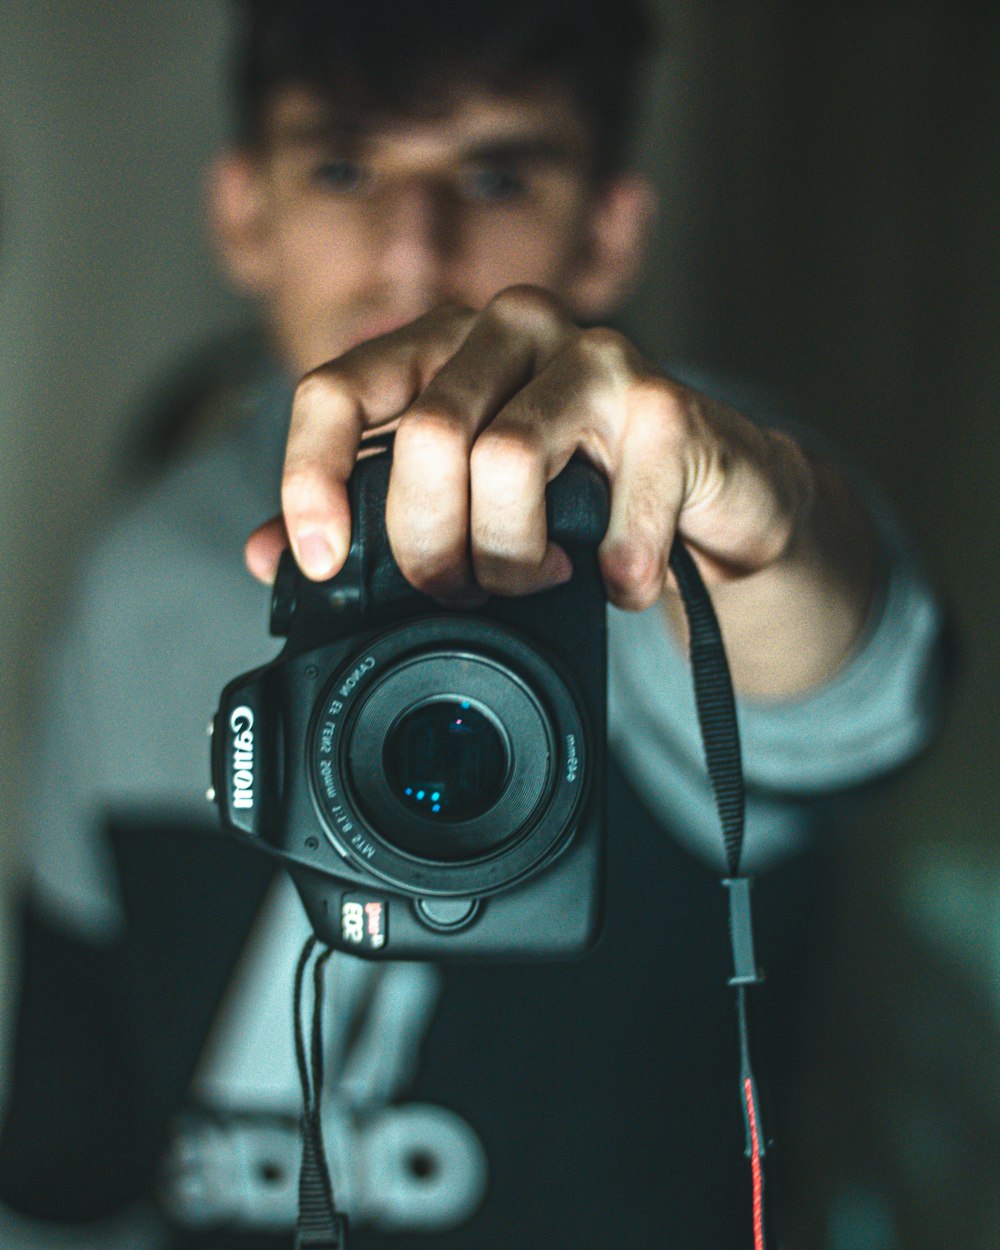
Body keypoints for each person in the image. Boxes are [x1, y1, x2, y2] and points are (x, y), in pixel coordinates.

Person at [0, 2, 946, 1247]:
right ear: (245, 215)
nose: (413, 249)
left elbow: (845, 703)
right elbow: (73, 1107)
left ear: (608, 231)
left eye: (496, 173)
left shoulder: (671, 499)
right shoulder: (144, 567)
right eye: (343, 165)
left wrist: (755, 521)